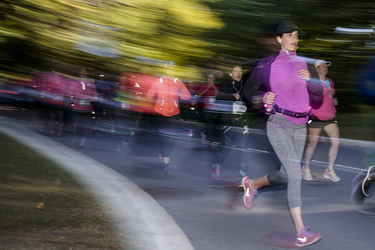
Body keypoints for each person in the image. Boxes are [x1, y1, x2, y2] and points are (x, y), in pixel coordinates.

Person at [243, 21, 323, 247]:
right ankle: (301, 232)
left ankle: (252, 185)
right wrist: (261, 97)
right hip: (278, 123)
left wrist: (310, 81)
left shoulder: (303, 63)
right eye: (289, 35)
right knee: (295, 175)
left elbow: (317, 96)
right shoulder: (266, 65)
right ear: (279, 39)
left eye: (296, 35)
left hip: (301, 126)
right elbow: (248, 90)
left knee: (286, 175)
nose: (294, 39)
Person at [147, 62, 191, 175]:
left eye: (173, 69)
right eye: (169, 69)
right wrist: (151, 94)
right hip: (160, 113)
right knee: (164, 139)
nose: (171, 71)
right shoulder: (159, 81)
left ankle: (164, 156)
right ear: (165, 70)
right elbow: (149, 93)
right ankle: (167, 164)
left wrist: (183, 95)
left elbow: (188, 95)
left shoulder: (178, 82)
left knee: (171, 139)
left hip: (175, 114)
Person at [301, 60, 340, 182]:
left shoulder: (330, 81)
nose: (324, 67)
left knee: (336, 143)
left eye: (325, 66)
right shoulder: (313, 83)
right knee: (313, 144)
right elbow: (310, 97)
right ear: (316, 69)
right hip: (316, 116)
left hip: (330, 116)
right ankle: (305, 168)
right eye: (321, 66)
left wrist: (334, 101)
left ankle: (329, 170)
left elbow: (331, 95)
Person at [212, 65, 249, 180]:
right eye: (236, 71)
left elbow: (250, 99)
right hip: (228, 121)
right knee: (225, 147)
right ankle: (217, 167)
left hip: (242, 122)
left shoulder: (245, 86)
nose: (238, 73)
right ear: (230, 74)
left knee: (242, 149)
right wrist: (232, 96)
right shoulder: (227, 85)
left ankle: (243, 175)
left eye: (240, 71)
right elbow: (218, 97)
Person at [197, 72, 221, 145]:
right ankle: (211, 141)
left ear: (214, 79)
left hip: (215, 109)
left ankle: (207, 136)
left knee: (213, 125)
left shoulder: (217, 87)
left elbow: (219, 95)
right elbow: (199, 95)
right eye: (209, 78)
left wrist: (213, 87)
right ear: (207, 79)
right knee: (210, 125)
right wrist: (206, 89)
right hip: (206, 109)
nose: (210, 79)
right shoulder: (205, 86)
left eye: (212, 78)